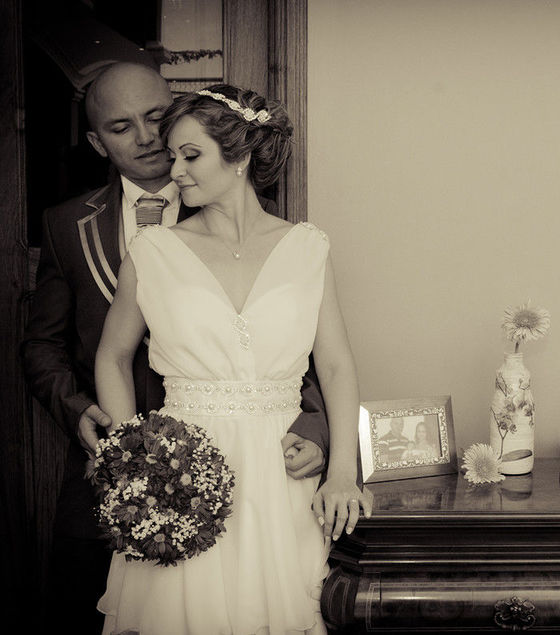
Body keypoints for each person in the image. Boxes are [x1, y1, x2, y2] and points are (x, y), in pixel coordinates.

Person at [20, 63, 329, 634]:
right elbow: (44, 347)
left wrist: (315, 428)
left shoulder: (267, 222)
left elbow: (291, 349)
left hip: (264, 464)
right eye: (120, 127)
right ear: (96, 142)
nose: (144, 139)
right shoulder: (68, 224)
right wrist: (104, 433)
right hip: (128, 472)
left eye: (155, 119)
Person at [94, 83, 372, 634]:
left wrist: (341, 470)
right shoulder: (153, 252)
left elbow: (336, 366)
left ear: (240, 156)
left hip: (280, 473)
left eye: (190, 155)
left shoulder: (307, 247)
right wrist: (136, 465)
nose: (174, 170)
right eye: (173, 156)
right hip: (183, 475)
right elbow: (112, 356)